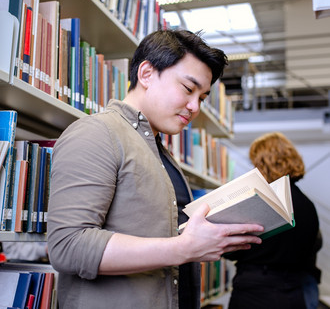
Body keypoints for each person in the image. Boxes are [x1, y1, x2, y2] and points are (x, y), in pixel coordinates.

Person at [47, 29, 264, 309]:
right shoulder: (97, 133)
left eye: (202, 97)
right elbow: (68, 246)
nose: (194, 106)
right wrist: (183, 248)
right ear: (146, 74)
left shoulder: (160, 150)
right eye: (188, 89)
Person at [225, 132, 322, 309]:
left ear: (262, 163)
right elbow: (312, 247)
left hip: (254, 292)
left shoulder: (259, 202)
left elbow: (233, 250)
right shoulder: (307, 205)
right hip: (293, 293)